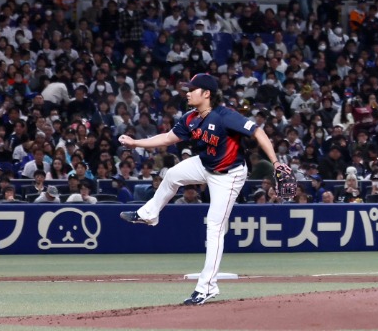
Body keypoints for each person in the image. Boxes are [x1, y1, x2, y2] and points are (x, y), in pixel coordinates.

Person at [118, 73, 281, 305]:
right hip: (205, 164)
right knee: (172, 174)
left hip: (229, 175)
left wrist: (275, 162)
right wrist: (135, 143)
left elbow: (257, 131)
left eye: (192, 89)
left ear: (207, 94)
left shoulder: (226, 116)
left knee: (214, 226)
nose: (187, 92)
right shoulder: (190, 118)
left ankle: (206, 287)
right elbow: (166, 138)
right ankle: (149, 213)